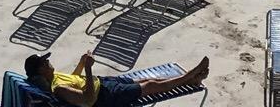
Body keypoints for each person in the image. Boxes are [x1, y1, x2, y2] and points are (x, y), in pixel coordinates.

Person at [23, 53, 210, 106]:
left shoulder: (55, 77)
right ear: (41, 70)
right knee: (151, 86)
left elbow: (74, 78)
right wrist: (88, 69)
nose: (49, 62)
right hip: (105, 97)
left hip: (104, 83)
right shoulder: (58, 89)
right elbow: (87, 100)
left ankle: (189, 80)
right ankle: (190, 75)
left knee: (147, 80)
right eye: (45, 62)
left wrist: (81, 64)